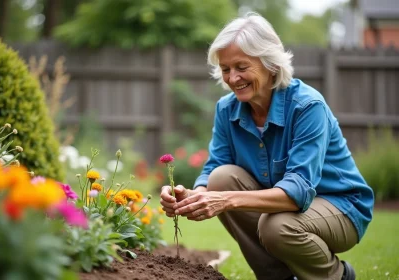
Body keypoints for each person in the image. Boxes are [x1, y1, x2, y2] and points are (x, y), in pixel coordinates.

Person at [160, 13, 374, 280]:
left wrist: (224, 200)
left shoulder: (307, 107)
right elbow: (216, 165)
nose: (233, 78)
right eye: (226, 69)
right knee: (220, 178)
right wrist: (193, 196)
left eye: (241, 67)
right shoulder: (227, 109)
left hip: (341, 206)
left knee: (276, 226)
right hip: (286, 208)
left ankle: (338, 276)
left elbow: (298, 191)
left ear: (270, 63)